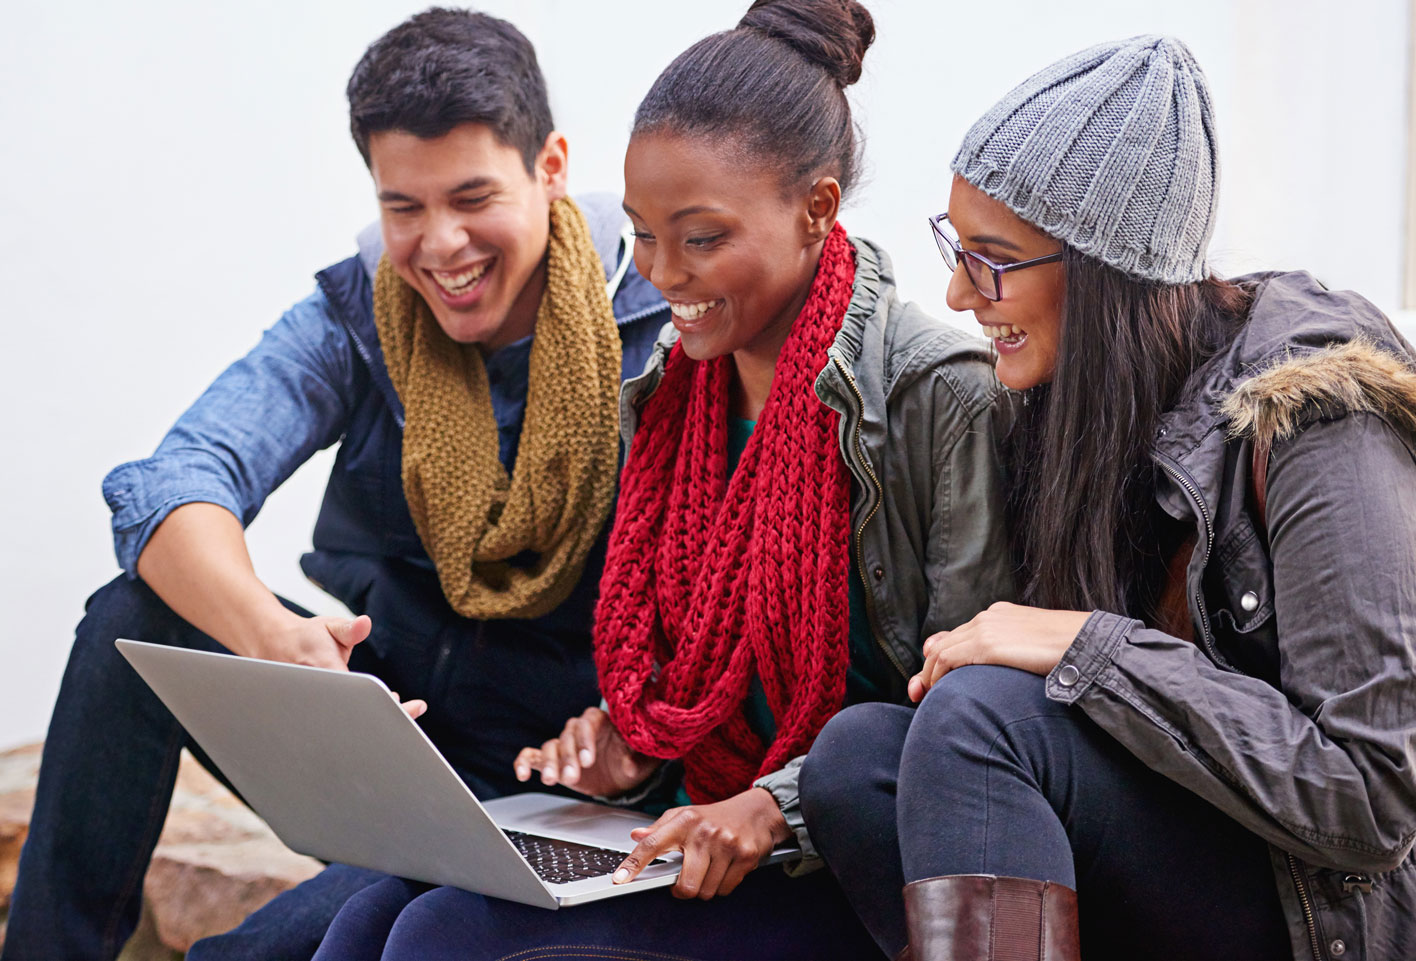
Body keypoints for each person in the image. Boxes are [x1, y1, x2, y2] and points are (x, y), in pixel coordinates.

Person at [309, 2, 1014, 958]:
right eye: (642, 234)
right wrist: (630, 751)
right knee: (367, 925)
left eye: (701, 237)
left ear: (816, 209)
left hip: (837, 865)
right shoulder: (670, 397)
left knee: (436, 941)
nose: (663, 273)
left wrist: (773, 804)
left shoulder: (941, 397)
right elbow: (708, 677)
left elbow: (961, 717)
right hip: (688, 829)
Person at [1, 10, 675, 961]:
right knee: (128, 618)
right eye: (404, 206)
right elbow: (174, 480)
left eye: (472, 196)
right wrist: (275, 640)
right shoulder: (362, 310)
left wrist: (636, 731)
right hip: (388, 727)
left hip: (556, 778)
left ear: (552, 166)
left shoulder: (660, 323)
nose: (440, 244)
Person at [798, 34, 1416, 961]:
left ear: (1104, 273)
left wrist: (1090, 646)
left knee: (980, 720)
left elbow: (1371, 796)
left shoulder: (1321, 417)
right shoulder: (1069, 408)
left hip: (1327, 908)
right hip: (1191, 846)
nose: (956, 290)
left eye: (992, 258)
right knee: (861, 761)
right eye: (956, 246)